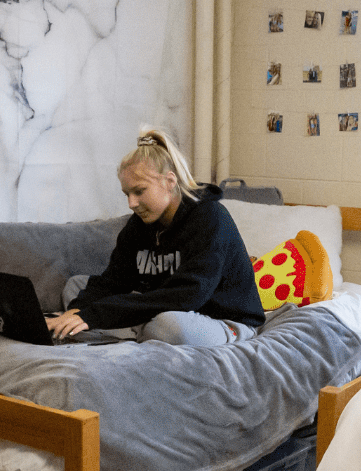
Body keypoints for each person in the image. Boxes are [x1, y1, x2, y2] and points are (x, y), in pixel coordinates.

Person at [45, 130, 264, 347]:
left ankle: (122, 333)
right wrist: (77, 311)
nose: (131, 203)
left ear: (169, 181)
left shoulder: (211, 217)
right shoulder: (138, 225)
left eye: (139, 191)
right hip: (164, 309)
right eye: (127, 194)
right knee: (76, 286)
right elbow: (113, 281)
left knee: (167, 326)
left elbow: (188, 295)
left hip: (217, 320)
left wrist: (94, 315)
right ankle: (127, 332)